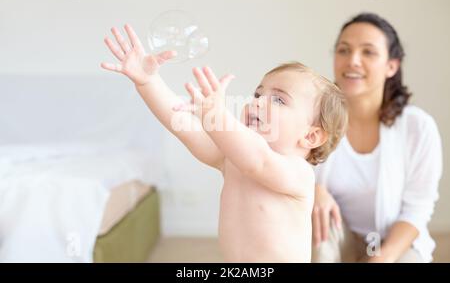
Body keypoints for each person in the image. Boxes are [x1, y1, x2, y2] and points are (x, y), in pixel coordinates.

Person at [101, 24, 347, 262]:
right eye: (258, 94)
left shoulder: (298, 173)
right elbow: (183, 125)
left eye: (280, 100)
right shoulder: (231, 158)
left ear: (310, 137)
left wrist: (217, 118)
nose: (258, 102)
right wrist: (148, 82)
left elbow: (258, 161)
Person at [311, 13, 443, 263]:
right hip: (338, 239)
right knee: (318, 225)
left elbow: (417, 209)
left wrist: (382, 258)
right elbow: (284, 168)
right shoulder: (315, 119)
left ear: (391, 66)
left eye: (368, 52)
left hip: (394, 243)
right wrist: (313, 189)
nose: (353, 61)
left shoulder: (418, 127)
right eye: (344, 50)